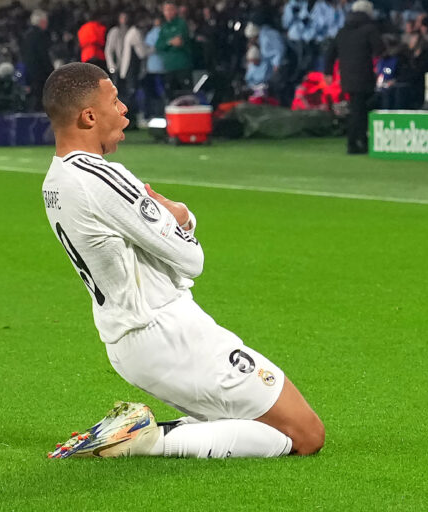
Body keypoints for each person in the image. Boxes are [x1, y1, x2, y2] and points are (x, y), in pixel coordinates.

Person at [41, 62, 324, 459]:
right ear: (88, 116)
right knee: (306, 434)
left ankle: (143, 431)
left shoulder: (54, 180)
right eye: (115, 101)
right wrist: (183, 215)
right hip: (168, 334)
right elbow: (190, 258)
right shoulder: (102, 177)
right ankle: (147, 442)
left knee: (260, 425)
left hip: (130, 338)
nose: (124, 109)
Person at [324, 0, 383, 154]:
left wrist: (328, 72)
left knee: (357, 108)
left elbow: (330, 54)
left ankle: (359, 141)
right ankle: (354, 143)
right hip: (364, 75)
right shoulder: (370, 29)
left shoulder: (342, 31)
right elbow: (379, 49)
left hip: (347, 77)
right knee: (360, 110)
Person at [156, 2, 193, 100]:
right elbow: (158, 45)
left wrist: (169, 44)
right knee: (170, 96)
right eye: (166, 10)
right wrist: (170, 42)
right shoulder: (164, 27)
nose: (168, 12)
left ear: (175, 11)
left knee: (186, 96)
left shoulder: (181, 23)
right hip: (169, 67)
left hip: (182, 66)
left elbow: (180, 41)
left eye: (170, 9)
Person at [21, 10, 54, 112]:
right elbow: (43, 56)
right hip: (40, 75)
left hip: (29, 74)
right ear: (42, 22)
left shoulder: (26, 35)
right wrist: (52, 71)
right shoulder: (40, 35)